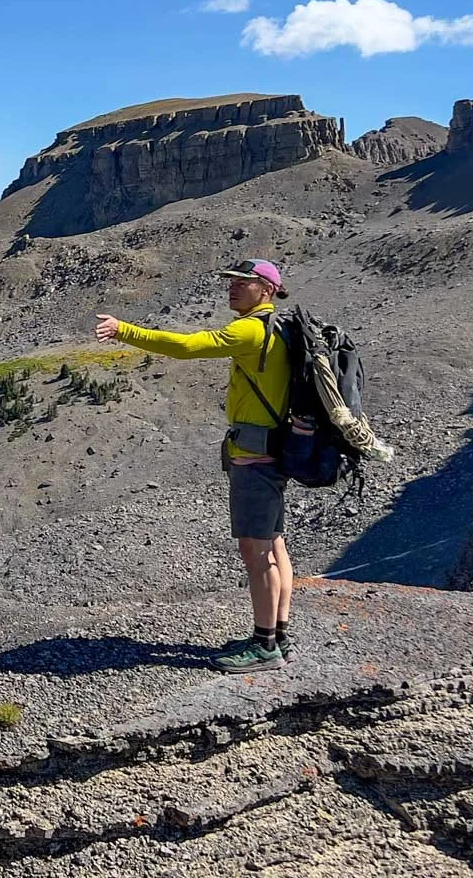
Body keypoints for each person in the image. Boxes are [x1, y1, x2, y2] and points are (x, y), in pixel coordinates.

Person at [93, 258, 295, 672]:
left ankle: (264, 648)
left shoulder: (250, 329)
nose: (233, 288)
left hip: (255, 456)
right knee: (273, 543)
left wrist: (124, 330)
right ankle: (278, 633)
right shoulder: (279, 328)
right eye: (232, 282)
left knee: (254, 549)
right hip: (276, 449)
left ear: (268, 289)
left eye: (244, 282)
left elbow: (187, 347)